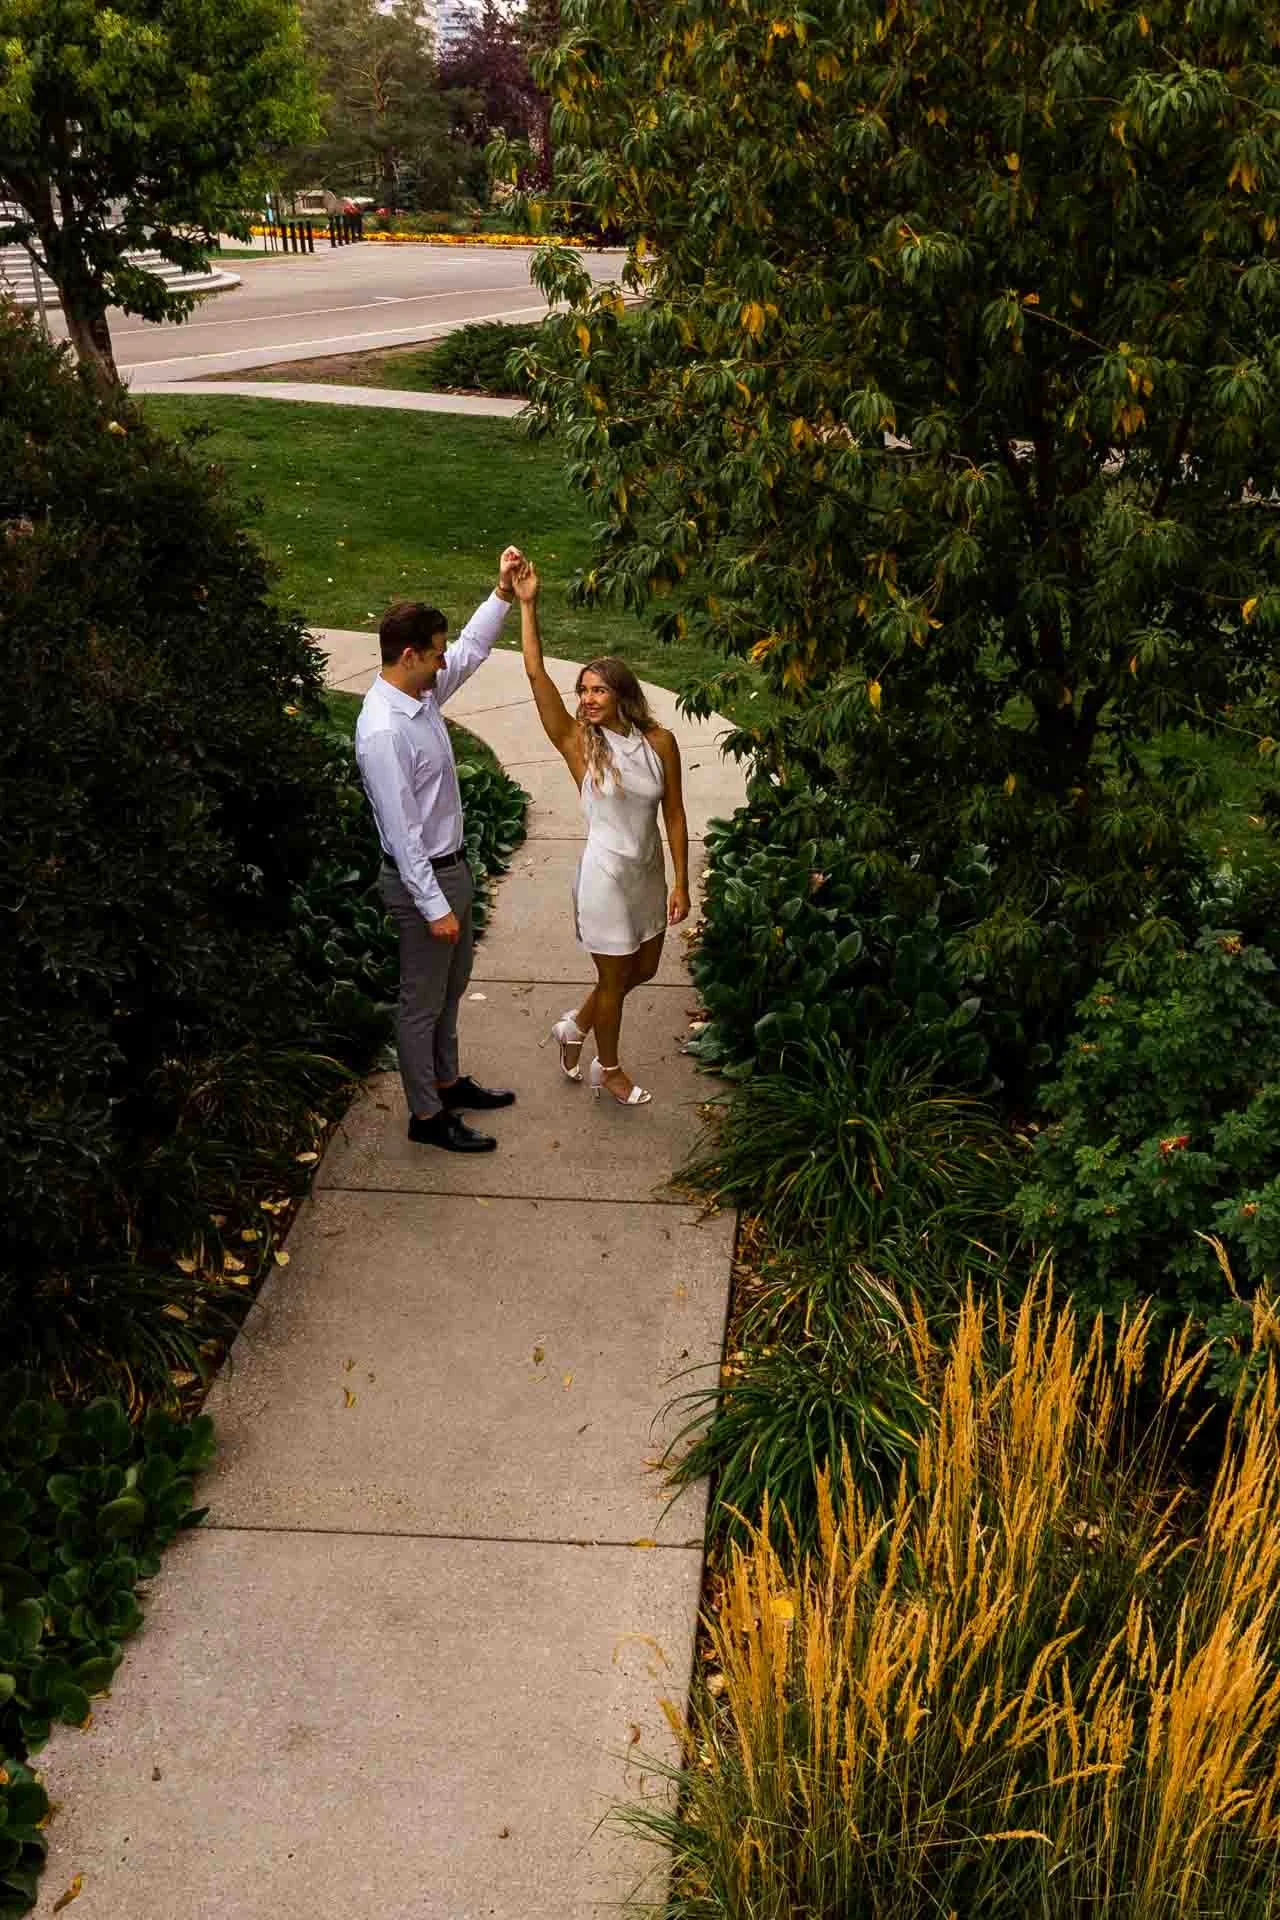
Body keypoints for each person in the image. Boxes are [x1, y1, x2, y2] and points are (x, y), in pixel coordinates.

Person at [355, 548, 524, 1153]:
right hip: (420, 883)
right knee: (420, 1004)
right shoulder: (383, 731)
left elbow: (473, 651)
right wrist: (434, 907)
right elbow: (402, 836)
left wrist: (501, 593)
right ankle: (426, 1116)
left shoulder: (420, 695)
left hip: (450, 871)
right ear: (409, 656)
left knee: (451, 990)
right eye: (435, 652)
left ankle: (448, 1083)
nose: (443, 661)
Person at [513, 558, 691, 1107]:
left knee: (644, 968)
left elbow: (676, 815)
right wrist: (527, 604)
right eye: (583, 690)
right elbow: (536, 676)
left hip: (647, 876)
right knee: (614, 981)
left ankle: (574, 1026)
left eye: (597, 691)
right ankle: (607, 1068)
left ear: (621, 696)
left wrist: (682, 882)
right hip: (605, 878)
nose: (586, 699)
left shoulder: (658, 742)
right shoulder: (579, 746)